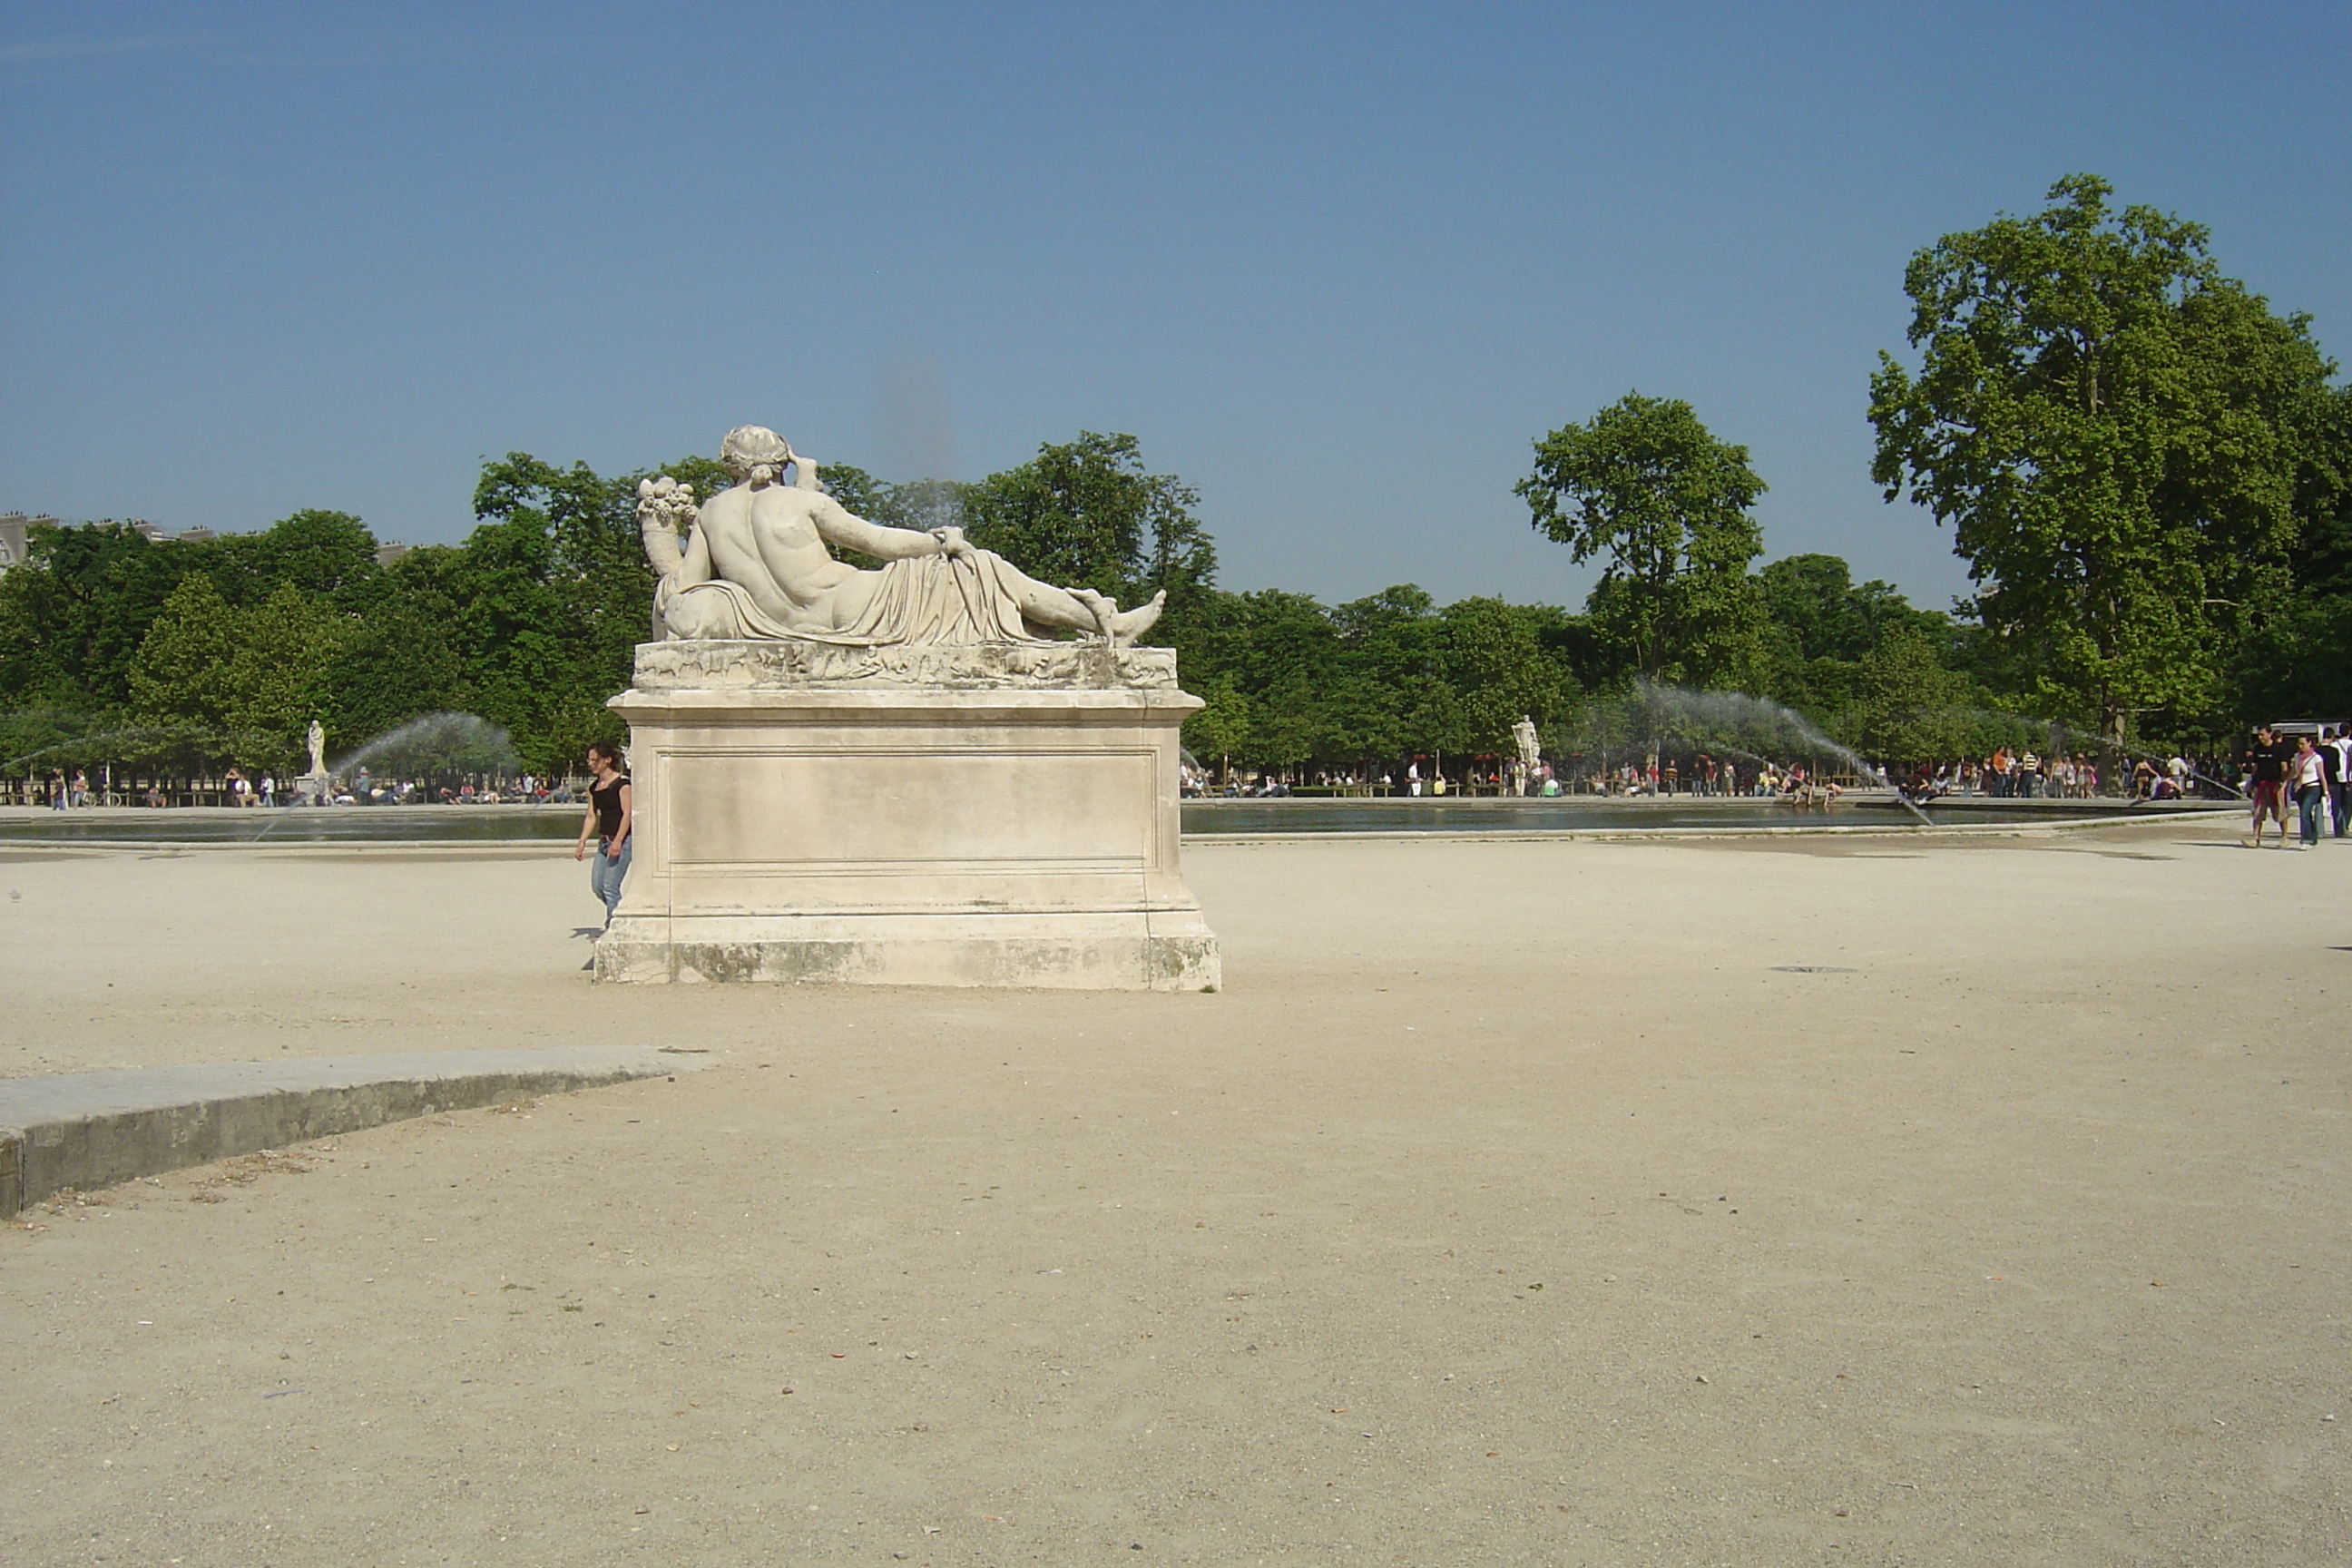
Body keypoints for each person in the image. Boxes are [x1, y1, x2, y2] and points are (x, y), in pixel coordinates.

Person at [641, 426, 1164, 647]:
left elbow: (682, 581)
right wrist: (942, 542)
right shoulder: (801, 501)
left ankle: (1102, 623)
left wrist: (657, 532)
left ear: (731, 463)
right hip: (857, 605)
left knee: (979, 575)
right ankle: (1105, 623)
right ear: (780, 460)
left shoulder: (712, 513)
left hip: (788, 622)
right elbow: (879, 543)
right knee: (980, 569)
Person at [575, 740, 633, 926]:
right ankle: (622, 914)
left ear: (607, 760)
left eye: (594, 760)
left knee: (610, 886)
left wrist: (618, 841)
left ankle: (613, 927)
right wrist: (582, 841)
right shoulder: (595, 787)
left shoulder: (622, 784)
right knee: (598, 886)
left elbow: (627, 814)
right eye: (589, 760)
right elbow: (591, 816)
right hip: (604, 841)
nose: (590, 763)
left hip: (622, 841)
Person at [2248, 727, 2291, 848]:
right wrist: (2252, 782)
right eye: (2259, 735)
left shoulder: (2279, 748)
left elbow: (2284, 767)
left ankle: (2284, 837)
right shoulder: (2257, 748)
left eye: (2262, 735)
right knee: (2258, 812)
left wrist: (2282, 784)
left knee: (2280, 812)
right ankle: (2255, 838)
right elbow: (2256, 767)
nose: (2260, 738)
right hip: (2261, 784)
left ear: (2269, 734)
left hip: (2275, 783)